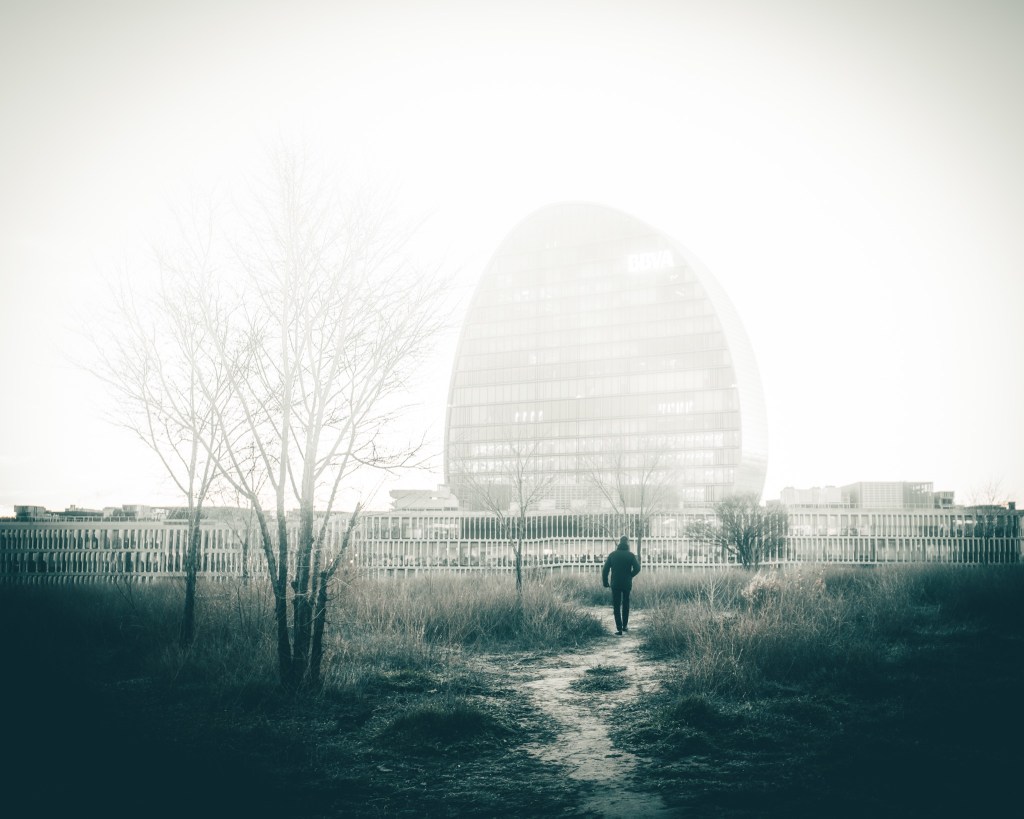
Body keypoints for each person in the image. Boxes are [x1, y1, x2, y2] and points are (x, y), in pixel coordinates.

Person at [602, 535, 641, 636]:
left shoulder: (612, 555)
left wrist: (605, 582)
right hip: (626, 583)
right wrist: (630, 575)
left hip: (615, 583)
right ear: (627, 543)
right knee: (626, 604)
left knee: (616, 605)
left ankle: (619, 628)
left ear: (619, 543)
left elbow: (605, 569)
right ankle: (625, 626)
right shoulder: (631, 555)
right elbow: (637, 568)